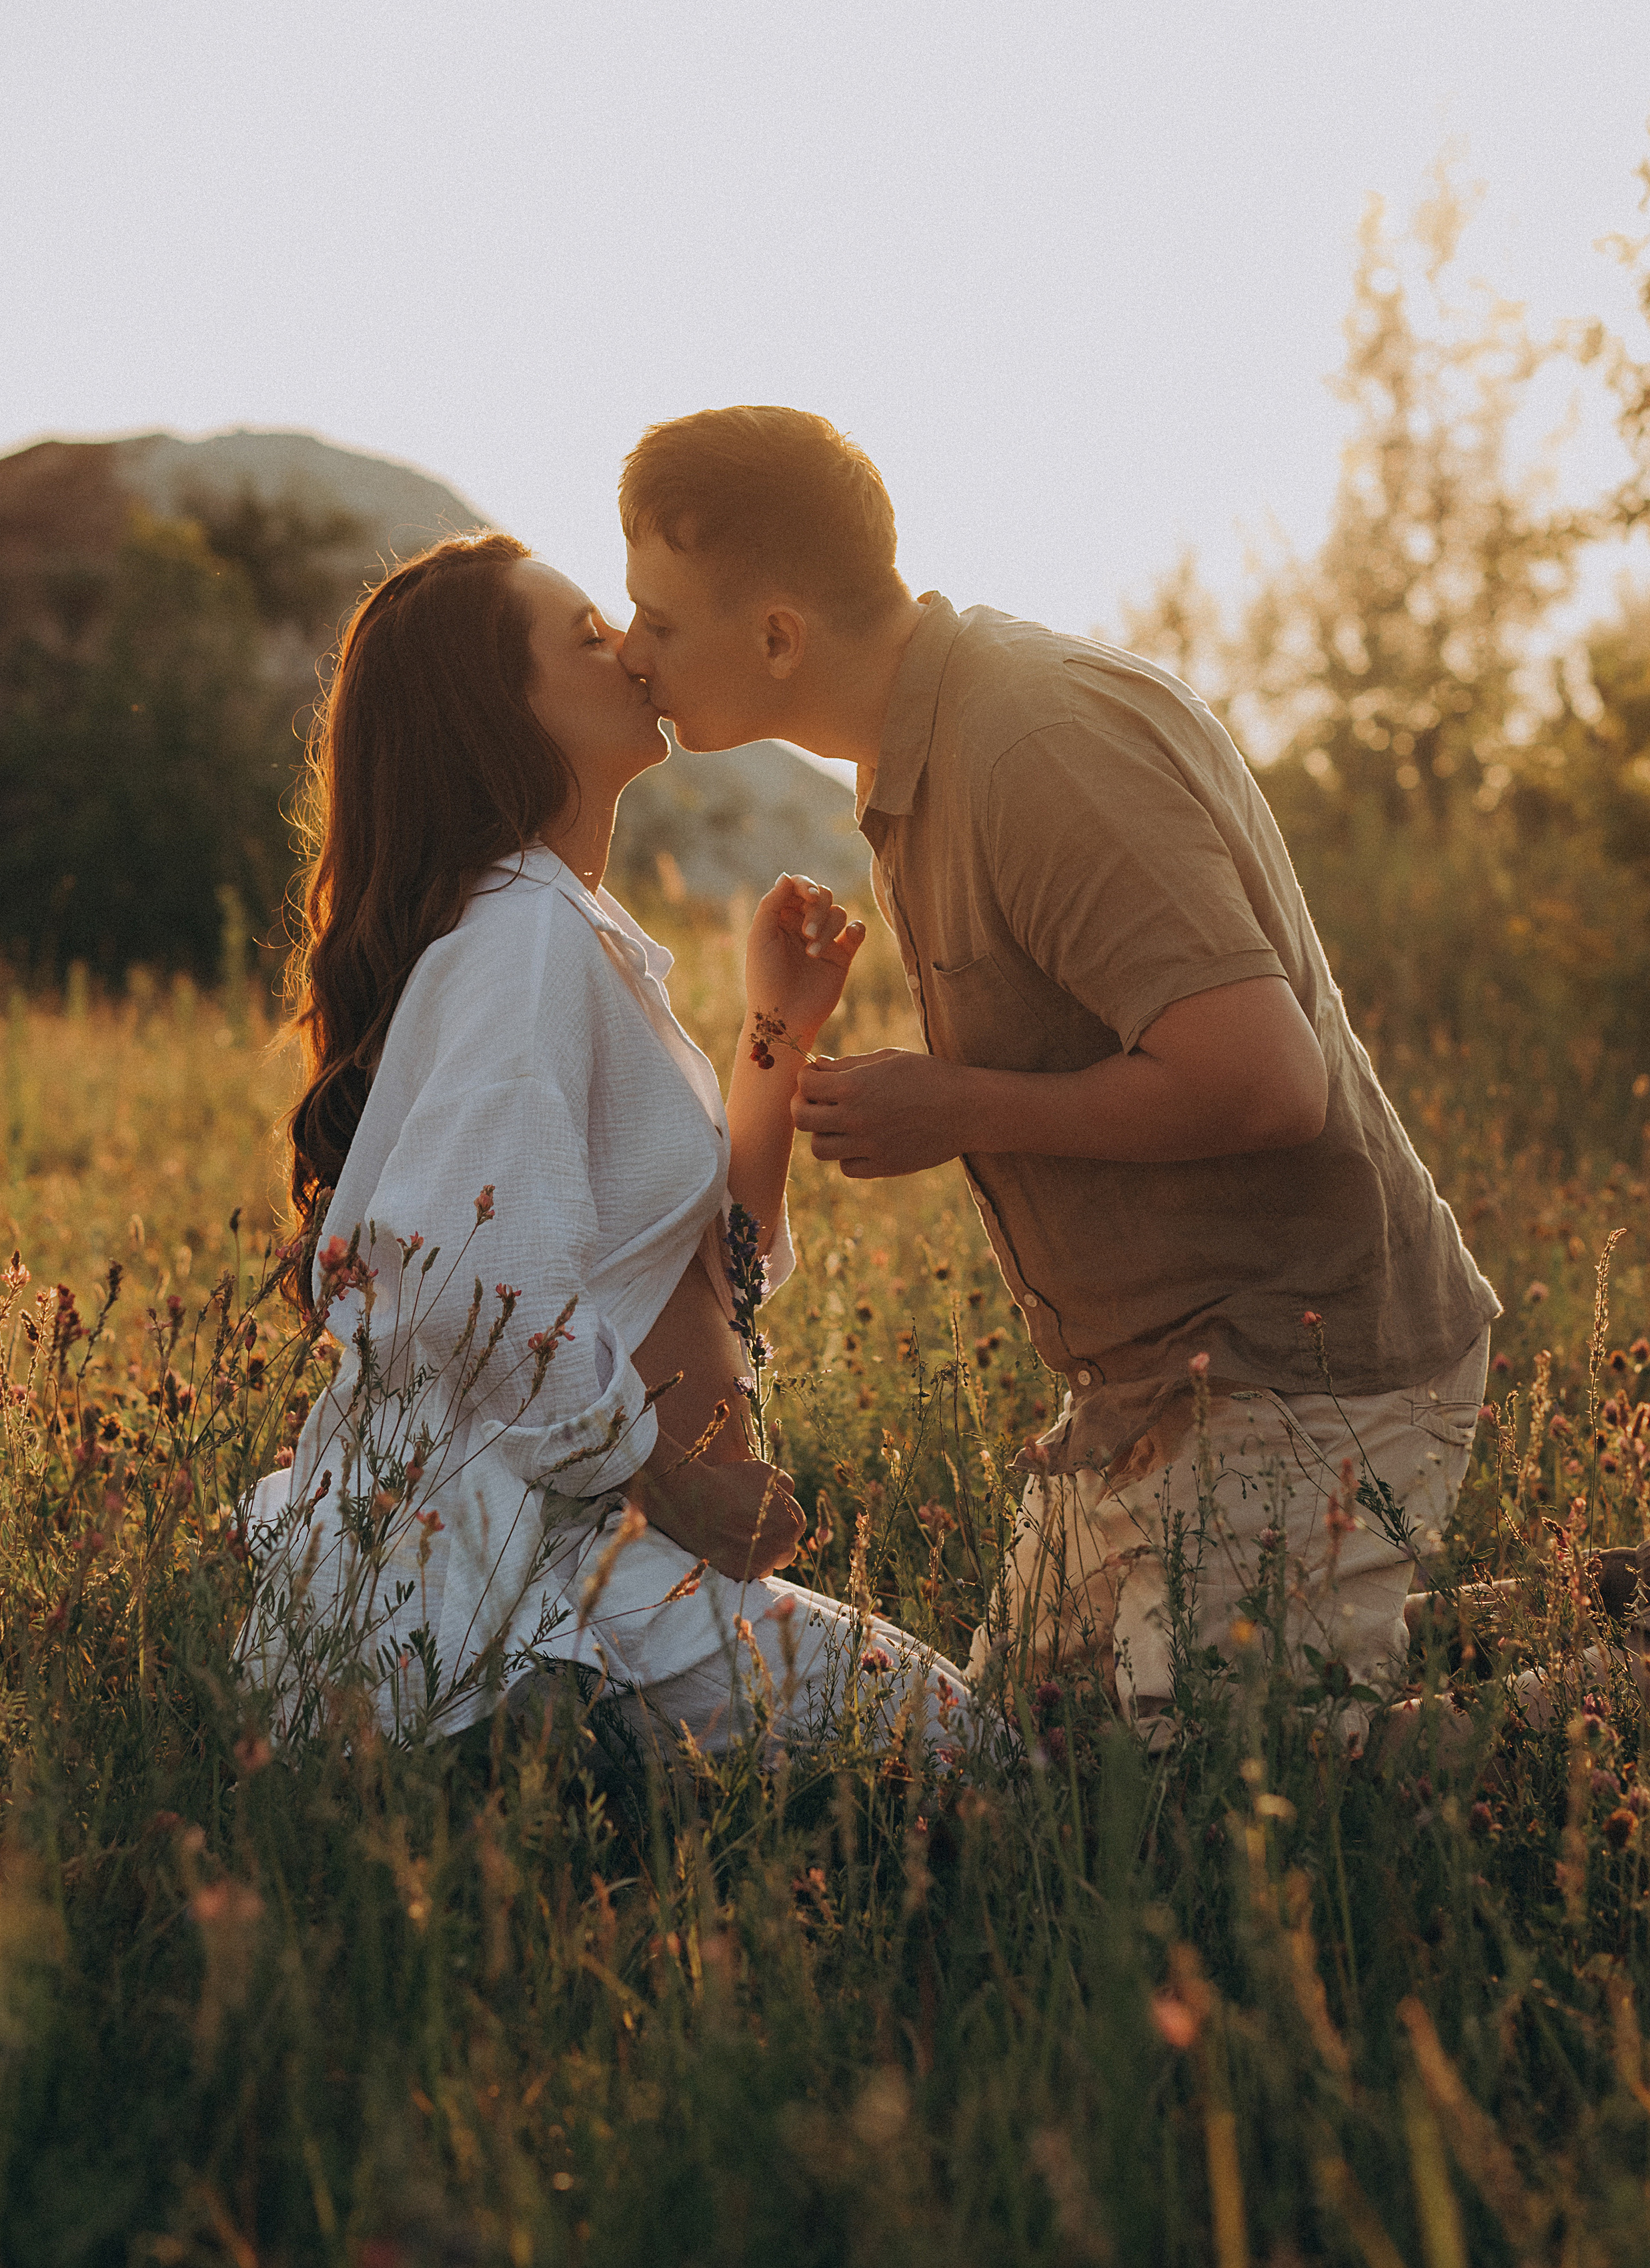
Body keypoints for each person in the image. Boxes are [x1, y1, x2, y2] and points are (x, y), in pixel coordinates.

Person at [614, 405, 1501, 1733]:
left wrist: (956, 1105)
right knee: (1020, 1761)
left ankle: (1588, 1674)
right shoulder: (925, 754)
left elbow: (1266, 1080)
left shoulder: (1034, 745)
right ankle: (1528, 1609)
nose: (633, 653)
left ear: (779, 635)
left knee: (1212, 1797)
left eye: (658, 620)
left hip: (1294, 1362)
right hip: (1149, 1393)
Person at [242, 529, 970, 1760]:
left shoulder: (559, 928)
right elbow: (464, 1280)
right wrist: (678, 1485)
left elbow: (711, 1269)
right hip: (530, 1587)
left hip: (581, 1562)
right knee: (981, 1757)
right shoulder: (523, 937)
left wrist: (775, 1035)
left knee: (960, 1747)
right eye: (588, 637)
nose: (634, 651)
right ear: (500, 717)